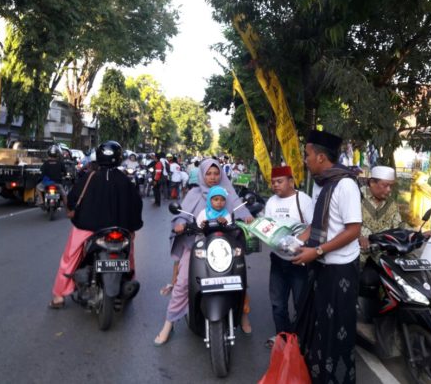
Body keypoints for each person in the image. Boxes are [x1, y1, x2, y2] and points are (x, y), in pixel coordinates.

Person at [154, 158, 254, 346]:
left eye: (216, 173)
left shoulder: (228, 191)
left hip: (225, 245)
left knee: (240, 278)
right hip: (197, 245)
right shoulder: (193, 193)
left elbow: (241, 210)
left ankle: (242, 316)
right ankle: (169, 323)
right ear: (202, 174)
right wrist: (179, 225)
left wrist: (247, 217)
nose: (213, 177)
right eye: (208, 173)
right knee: (183, 282)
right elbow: (181, 215)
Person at [293, 130, 362, 384]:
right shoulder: (321, 183)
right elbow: (314, 227)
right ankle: (318, 376)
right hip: (319, 267)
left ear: (321, 157)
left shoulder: (346, 185)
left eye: (308, 155)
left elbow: (354, 230)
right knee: (318, 326)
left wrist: (318, 251)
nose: (306, 160)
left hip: (340, 271)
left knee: (337, 333)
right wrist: (289, 244)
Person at [49, 141, 143, 308]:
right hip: (120, 229)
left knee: (70, 257)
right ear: (119, 158)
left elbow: (72, 198)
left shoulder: (89, 177)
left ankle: (59, 296)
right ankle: (128, 281)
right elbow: (136, 206)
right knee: (129, 254)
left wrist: (72, 209)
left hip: (87, 227)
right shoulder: (125, 181)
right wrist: (132, 228)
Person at [264, 166, 313, 349]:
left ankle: (300, 339)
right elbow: (267, 226)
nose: (276, 185)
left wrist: (298, 241)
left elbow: (314, 225)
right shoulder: (271, 202)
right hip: (277, 260)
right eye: (273, 182)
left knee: (300, 302)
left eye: (280, 181)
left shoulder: (303, 200)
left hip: (299, 260)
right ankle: (282, 336)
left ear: (291, 181)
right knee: (278, 303)